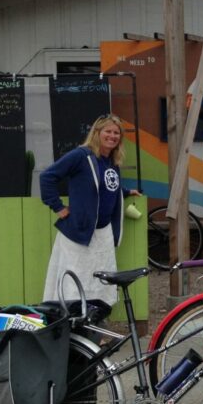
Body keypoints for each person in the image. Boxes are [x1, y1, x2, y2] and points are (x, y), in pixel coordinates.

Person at [40, 114, 130, 307]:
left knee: (100, 283)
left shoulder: (112, 161)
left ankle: (95, 327)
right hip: (79, 234)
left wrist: (128, 192)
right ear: (97, 132)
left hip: (102, 234)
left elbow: (105, 188)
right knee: (75, 282)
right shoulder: (81, 156)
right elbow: (47, 177)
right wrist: (58, 207)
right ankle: (72, 328)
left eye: (117, 133)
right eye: (108, 131)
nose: (112, 136)